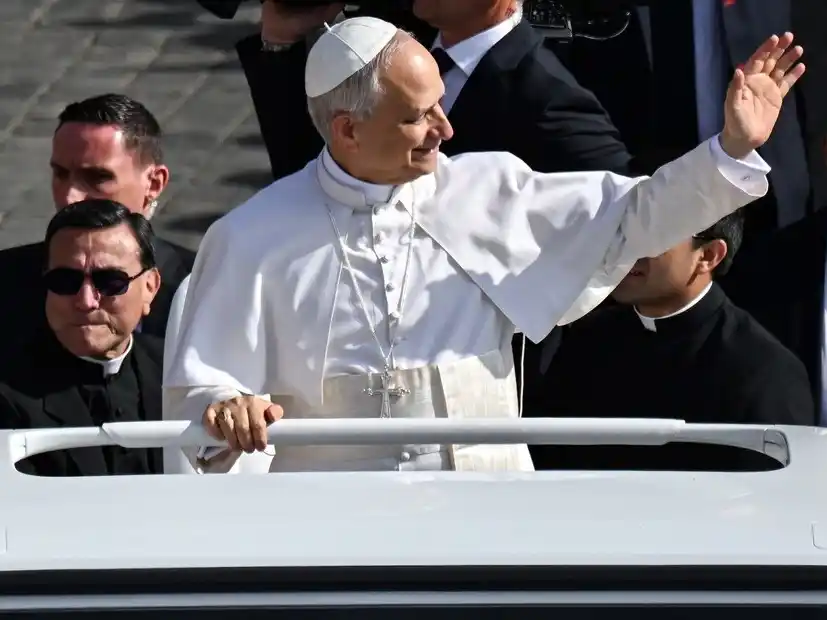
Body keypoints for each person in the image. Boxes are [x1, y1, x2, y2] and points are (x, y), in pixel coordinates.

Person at [163, 17, 802, 474]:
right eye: (418, 116)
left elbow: (634, 214)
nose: (445, 128)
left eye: (440, 104)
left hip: (487, 505)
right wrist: (226, 409)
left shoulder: (489, 188)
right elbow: (202, 391)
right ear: (348, 130)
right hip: (334, 527)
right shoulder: (250, 237)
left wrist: (731, 150)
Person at [528, 211, 815, 472]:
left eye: (652, 236)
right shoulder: (587, 339)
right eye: (623, 233)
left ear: (709, 255)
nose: (627, 250)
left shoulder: (763, 370)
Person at [236, 0, 631, 181]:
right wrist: (281, 41)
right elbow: (306, 176)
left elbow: (623, 225)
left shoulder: (548, 102)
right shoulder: (392, 43)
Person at [0, 94, 195, 353]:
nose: (70, 197)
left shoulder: (205, 288)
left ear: (154, 183)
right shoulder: (6, 282)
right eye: (61, 174)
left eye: (97, 177)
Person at [0, 200, 164, 477]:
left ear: (150, 287)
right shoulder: (6, 391)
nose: (86, 301)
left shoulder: (182, 371)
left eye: (110, 281)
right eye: (65, 281)